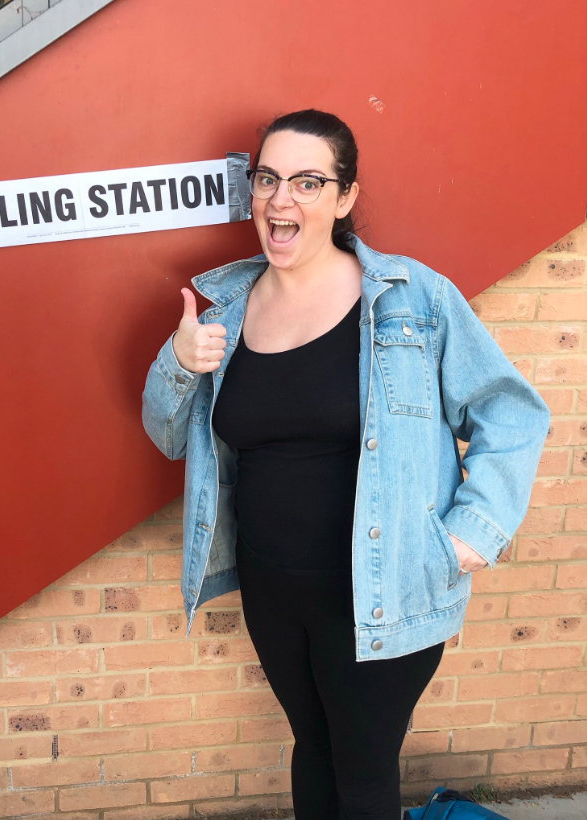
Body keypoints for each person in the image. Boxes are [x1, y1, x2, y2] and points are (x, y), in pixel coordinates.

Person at [141, 109, 550, 819]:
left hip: (384, 583)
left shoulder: (409, 300)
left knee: (361, 776)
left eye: (306, 181)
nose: (281, 199)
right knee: (313, 747)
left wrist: (472, 532)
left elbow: (511, 412)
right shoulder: (224, 316)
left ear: (345, 197)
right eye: (267, 179)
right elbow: (168, 436)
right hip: (273, 590)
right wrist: (179, 363)